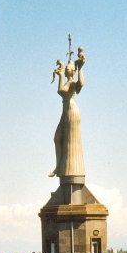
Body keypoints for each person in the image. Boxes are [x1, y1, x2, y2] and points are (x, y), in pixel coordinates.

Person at [49, 45, 86, 178]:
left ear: (73, 70)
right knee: (57, 138)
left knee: (71, 142)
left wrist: (80, 68)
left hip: (71, 110)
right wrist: (60, 71)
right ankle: (58, 167)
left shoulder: (73, 83)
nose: (66, 70)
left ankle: (69, 170)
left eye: (69, 67)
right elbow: (60, 91)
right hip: (65, 110)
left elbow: (81, 84)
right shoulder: (66, 82)